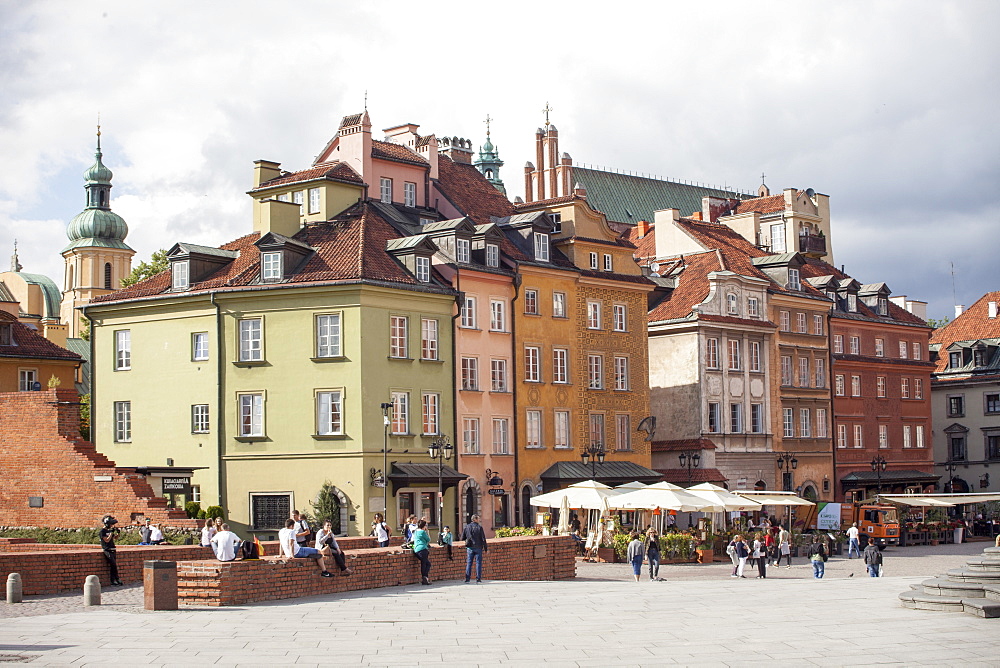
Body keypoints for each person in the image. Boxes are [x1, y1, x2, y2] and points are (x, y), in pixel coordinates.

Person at [461, 514, 488, 583]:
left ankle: (467, 578)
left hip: (470, 547)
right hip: (478, 547)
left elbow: (462, 537)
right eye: (478, 518)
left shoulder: (467, 527)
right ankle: (478, 578)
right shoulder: (479, 527)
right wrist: (485, 548)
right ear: (475, 519)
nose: (479, 520)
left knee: (469, 563)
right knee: (478, 563)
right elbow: (483, 539)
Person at [99, 515, 123, 586]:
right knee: (113, 565)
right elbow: (106, 540)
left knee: (114, 565)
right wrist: (111, 533)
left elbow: (115, 538)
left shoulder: (109, 531)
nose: (111, 525)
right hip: (107, 549)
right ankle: (114, 580)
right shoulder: (102, 531)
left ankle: (116, 579)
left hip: (113, 549)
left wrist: (118, 533)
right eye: (110, 524)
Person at [412, 519, 432, 585]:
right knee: (426, 564)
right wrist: (427, 531)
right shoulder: (423, 532)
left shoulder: (416, 532)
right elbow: (428, 539)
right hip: (423, 549)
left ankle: (425, 578)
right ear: (424, 526)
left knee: (424, 563)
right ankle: (425, 577)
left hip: (416, 549)